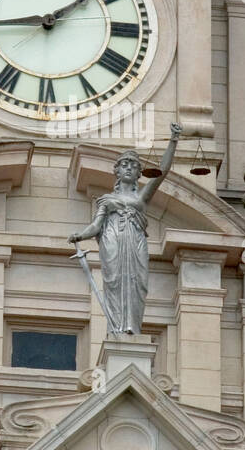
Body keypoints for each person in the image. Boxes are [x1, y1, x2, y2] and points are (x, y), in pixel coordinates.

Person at [69, 124, 182, 335]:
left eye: (133, 165)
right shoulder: (107, 200)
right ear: (117, 171)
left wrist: (173, 140)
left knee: (137, 284)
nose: (129, 168)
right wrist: (79, 235)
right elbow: (96, 226)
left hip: (136, 240)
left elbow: (162, 173)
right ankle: (118, 328)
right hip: (113, 240)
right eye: (125, 164)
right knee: (114, 282)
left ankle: (132, 327)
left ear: (139, 173)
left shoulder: (141, 197)